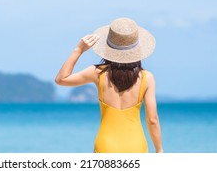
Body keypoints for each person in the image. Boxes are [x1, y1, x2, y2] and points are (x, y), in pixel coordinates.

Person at [55, 17, 163, 153]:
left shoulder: (97, 73)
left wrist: (78, 50)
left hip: (106, 145)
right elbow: (152, 119)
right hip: (136, 145)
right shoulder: (147, 78)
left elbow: (61, 79)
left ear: (108, 47)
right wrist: (159, 150)